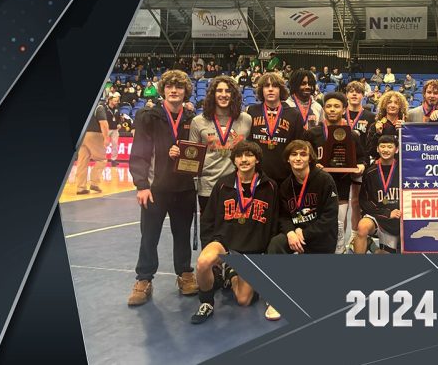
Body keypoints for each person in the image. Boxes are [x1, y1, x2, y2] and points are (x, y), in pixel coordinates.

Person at [128, 70, 198, 306]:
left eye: (179, 86)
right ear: (163, 90)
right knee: (149, 235)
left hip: (184, 188)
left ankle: (184, 273)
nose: (174, 90)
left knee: (182, 234)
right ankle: (144, 279)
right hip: (155, 189)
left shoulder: (192, 118)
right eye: (169, 86)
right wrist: (141, 185)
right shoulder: (149, 116)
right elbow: (139, 151)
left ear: (186, 91)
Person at [190, 142, 279, 324]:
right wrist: (208, 245)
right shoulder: (223, 185)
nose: (244, 160)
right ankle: (206, 303)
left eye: (249, 155)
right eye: (239, 156)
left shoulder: (270, 186)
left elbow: (274, 223)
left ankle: (230, 273)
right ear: (234, 160)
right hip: (224, 242)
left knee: (243, 300)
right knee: (203, 262)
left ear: (257, 159)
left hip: (252, 249)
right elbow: (208, 219)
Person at [265, 140, 340, 320]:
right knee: (276, 243)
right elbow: (283, 216)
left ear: (310, 158)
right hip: (296, 235)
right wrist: (290, 233)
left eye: (303, 154)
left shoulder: (324, 180)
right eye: (294, 154)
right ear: (288, 159)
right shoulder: (285, 186)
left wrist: (304, 234)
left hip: (320, 238)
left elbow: (329, 217)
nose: (298, 158)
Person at [190, 76, 253, 247]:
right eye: (219, 90)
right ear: (212, 94)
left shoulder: (246, 119)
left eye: (228, 91)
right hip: (207, 186)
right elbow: (193, 157)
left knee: (235, 233)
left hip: (236, 186)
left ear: (234, 95)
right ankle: (211, 264)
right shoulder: (198, 121)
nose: (223, 94)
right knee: (209, 234)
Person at [302, 92, 367, 253]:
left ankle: (339, 251)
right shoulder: (312, 133)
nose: (332, 109)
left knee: (338, 225)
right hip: (315, 186)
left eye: (336, 106)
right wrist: (313, 165)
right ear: (323, 109)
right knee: (315, 223)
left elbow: (362, 158)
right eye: (328, 106)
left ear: (344, 109)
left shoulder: (352, 135)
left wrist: (361, 166)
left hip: (341, 185)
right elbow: (302, 156)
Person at [247, 73, 306, 184]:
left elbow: (299, 145)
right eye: (266, 86)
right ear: (261, 90)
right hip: (257, 175)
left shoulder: (294, 114)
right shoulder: (252, 111)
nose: (270, 89)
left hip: (285, 176)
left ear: (281, 90)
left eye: (274, 86)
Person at [349, 135, 402, 254]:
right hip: (378, 217)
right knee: (362, 227)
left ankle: (373, 247)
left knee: (385, 255)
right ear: (377, 149)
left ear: (396, 150)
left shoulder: (403, 170)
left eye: (390, 147)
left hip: (398, 219)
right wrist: (387, 213)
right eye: (382, 146)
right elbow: (364, 201)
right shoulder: (370, 172)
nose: (386, 150)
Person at [344, 81, 376, 236]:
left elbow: (372, 142)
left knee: (356, 201)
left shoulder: (370, 116)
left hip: (360, 163)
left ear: (363, 95)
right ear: (346, 94)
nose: (354, 94)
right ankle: (340, 236)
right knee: (341, 203)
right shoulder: (340, 113)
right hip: (340, 162)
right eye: (351, 91)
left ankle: (354, 235)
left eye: (358, 92)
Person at [75, 99, 110, 195]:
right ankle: (94, 183)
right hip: (94, 134)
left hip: (82, 136)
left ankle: (80, 188)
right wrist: (106, 137)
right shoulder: (99, 107)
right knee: (102, 159)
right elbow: (103, 123)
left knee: (82, 162)